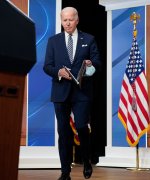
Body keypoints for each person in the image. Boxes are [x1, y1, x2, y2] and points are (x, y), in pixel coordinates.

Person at [43, 7, 101, 180]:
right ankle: (65, 171)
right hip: (61, 92)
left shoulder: (89, 39)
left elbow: (97, 62)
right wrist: (58, 73)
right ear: (61, 21)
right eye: (64, 20)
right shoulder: (53, 41)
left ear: (77, 20)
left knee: (82, 127)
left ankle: (86, 161)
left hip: (82, 92)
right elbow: (47, 66)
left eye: (70, 20)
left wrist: (91, 65)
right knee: (63, 131)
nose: (67, 23)